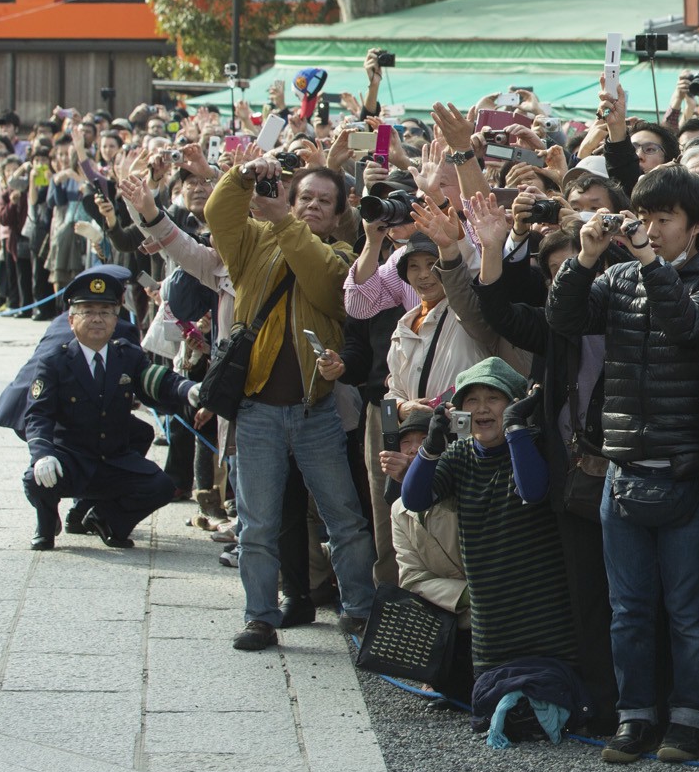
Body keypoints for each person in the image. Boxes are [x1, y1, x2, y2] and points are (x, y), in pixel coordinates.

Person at [546, 164, 699, 765]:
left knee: (688, 611)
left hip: (687, 470)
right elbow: (564, 321)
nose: (652, 231)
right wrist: (583, 259)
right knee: (628, 610)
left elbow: (689, 327)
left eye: (666, 221)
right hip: (624, 470)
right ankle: (635, 716)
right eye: (647, 218)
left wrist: (650, 265)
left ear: (697, 225)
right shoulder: (619, 277)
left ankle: (687, 719)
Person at [204, 149, 378, 652]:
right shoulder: (252, 241)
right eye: (304, 197)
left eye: (325, 200)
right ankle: (259, 616)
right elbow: (219, 213)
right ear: (287, 195)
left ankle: (360, 610)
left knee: (344, 518)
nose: (312, 206)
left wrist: (284, 222)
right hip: (257, 409)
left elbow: (324, 285)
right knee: (257, 524)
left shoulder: (345, 258)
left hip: (315, 411)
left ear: (341, 210)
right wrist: (243, 176)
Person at [401, 359, 573, 692]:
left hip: (544, 616)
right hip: (490, 621)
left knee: (548, 693)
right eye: (472, 400)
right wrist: (432, 447)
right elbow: (413, 499)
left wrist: (514, 427)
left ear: (515, 402)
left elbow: (533, 490)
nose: (482, 409)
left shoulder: (533, 443)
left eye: (493, 398)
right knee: (492, 697)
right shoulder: (460, 454)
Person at [22, 268, 197, 550]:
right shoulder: (54, 361)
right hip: (72, 459)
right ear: (71, 319)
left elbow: (155, 380)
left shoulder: (126, 355)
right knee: (35, 478)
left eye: (105, 312)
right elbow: (38, 413)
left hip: (113, 460)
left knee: (161, 486)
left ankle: (107, 520)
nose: (97, 319)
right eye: (87, 311)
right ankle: (46, 523)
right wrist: (43, 454)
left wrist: (186, 389)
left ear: (116, 320)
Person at [385, 403, 473, 704]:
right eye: (405, 443)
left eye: (422, 442)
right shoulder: (398, 510)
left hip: (493, 610)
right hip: (452, 610)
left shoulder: (463, 491)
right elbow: (411, 577)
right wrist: (464, 596)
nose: (412, 451)